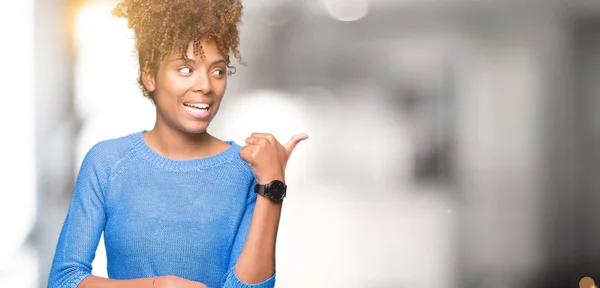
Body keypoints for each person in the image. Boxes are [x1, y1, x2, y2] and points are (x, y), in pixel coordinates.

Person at [47, 0, 307, 287]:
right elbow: (64, 279)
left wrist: (272, 186)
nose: (206, 85)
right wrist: (158, 286)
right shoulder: (107, 162)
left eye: (217, 71)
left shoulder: (244, 170)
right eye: (185, 69)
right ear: (149, 76)